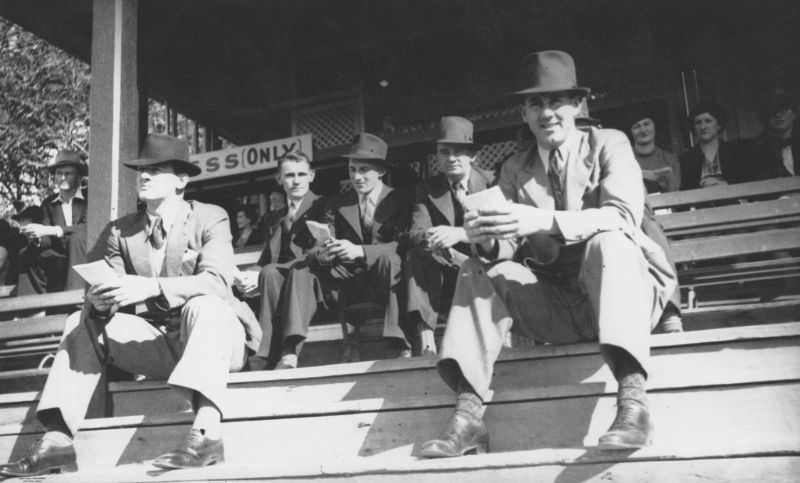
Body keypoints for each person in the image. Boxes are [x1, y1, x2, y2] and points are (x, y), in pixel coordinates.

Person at [420, 50, 677, 458]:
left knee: (609, 239)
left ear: (577, 104)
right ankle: (468, 417)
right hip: (558, 305)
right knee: (476, 267)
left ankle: (632, 402)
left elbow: (624, 216)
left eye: (557, 101)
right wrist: (483, 237)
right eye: (536, 103)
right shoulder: (514, 167)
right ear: (523, 112)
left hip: (623, 295)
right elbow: (504, 245)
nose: (547, 113)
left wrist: (538, 220)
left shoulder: (610, 143)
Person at [0, 134, 262, 477]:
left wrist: (151, 286)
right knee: (81, 320)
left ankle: (206, 433)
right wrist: (99, 300)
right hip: (162, 346)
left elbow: (217, 282)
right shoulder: (121, 231)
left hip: (217, 340)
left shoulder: (211, 216)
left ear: (182, 179)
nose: (145, 176)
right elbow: (105, 289)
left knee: (206, 305)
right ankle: (57, 442)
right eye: (141, 170)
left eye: (155, 169)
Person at [274, 133, 413, 368]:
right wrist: (326, 251)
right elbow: (316, 247)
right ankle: (290, 351)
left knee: (391, 258)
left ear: (380, 170)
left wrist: (361, 251)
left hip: (386, 282)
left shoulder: (401, 200)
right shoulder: (337, 203)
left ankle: (400, 344)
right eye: (352, 169)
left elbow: (405, 243)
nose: (356, 177)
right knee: (301, 269)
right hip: (346, 284)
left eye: (363, 170)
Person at [406, 116, 494, 355]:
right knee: (417, 255)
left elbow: (501, 230)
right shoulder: (427, 188)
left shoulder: (492, 182)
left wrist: (460, 234)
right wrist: (436, 237)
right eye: (444, 152)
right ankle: (427, 341)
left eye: (459, 152)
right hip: (446, 266)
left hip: (488, 260)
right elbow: (416, 232)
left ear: (473, 156)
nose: (451, 158)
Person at [234, 151, 325, 370]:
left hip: (316, 279)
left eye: (301, 174)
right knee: (269, 273)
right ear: (279, 179)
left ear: (311, 176)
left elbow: (321, 251)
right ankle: (265, 353)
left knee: (292, 271)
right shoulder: (274, 218)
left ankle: (289, 351)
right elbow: (266, 259)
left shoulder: (324, 206)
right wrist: (248, 276)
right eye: (289, 175)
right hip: (282, 283)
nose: (296, 181)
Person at [17, 150, 89, 294]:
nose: (62, 177)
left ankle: (73, 300)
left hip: (84, 251)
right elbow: (47, 238)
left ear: (78, 177)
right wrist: (36, 238)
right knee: (28, 252)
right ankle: (30, 308)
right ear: (54, 177)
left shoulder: (89, 198)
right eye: (58, 173)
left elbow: (86, 227)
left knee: (76, 238)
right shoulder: (49, 203)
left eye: (68, 173)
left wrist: (53, 230)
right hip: (60, 253)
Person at [678, 101, 756, 190]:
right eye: (698, 122)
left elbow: (750, 182)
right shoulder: (685, 159)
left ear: (719, 124)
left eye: (708, 121)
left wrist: (727, 185)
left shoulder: (737, 151)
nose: (703, 126)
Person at [748, 90, 798, 178]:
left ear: (794, 114)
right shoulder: (757, 149)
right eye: (772, 111)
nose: (778, 115)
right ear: (764, 118)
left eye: (783, 109)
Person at [628, 112, 681, 193]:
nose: (643, 130)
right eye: (636, 127)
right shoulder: (624, 158)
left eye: (646, 124)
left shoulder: (670, 159)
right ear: (631, 132)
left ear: (655, 127)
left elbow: (673, 193)